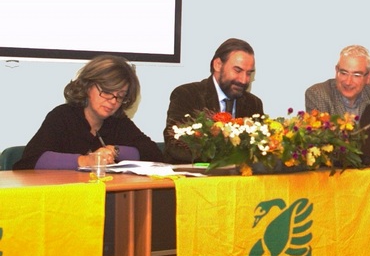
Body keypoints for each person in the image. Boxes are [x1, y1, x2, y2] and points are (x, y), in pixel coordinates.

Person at [14, 55, 164, 169]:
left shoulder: (118, 122)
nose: (113, 101)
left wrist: (115, 150)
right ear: (87, 86)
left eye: (120, 96)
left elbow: (155, 156)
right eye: (106, 92)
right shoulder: (63, 116)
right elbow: (30, 160)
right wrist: (85, 161)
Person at [163, 38, 264, 162]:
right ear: (218, 65)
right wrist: (224, 159)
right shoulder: (187, 95)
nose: (243, 80)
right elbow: (174, 146)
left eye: (249, 73)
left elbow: (259, 149)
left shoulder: (253, 104)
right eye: (237, 70)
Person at [304, 44, 370, 116]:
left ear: (368, 76)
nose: (348, 82)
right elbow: (322, 133)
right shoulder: (318, 94)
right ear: (337, 71)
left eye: (356, 75)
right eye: (344, 73)